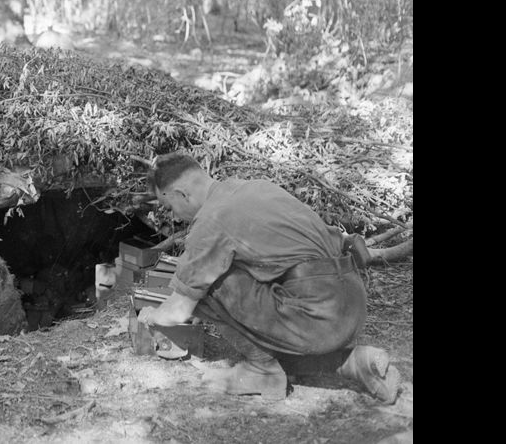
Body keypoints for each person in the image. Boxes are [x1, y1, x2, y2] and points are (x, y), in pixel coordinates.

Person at [137, 152, 400, 404]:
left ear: (181, 194)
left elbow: (178, 309)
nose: (174, 216)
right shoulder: (254, 189)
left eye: (169, 206)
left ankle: (262, 371)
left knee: (207, 282)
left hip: (318, 316)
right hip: (350, 303)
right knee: (211, 276)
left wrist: (152, 315)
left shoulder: (211, 220)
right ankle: (355, 363)